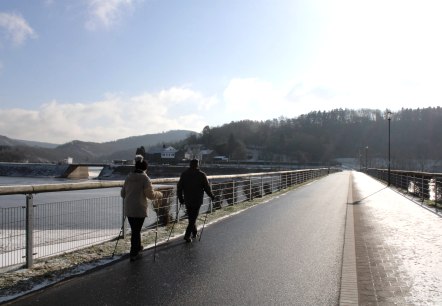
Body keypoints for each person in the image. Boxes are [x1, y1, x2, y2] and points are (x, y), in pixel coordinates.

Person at [121, 155, 162, 261]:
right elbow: (151, 195)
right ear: (145, 168)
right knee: (136, 230)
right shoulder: (145, 178)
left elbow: (122, 193)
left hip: (129, 208)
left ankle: (138, 247)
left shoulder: (128, 177)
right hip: (139, 208)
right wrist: (159, 194)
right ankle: (134, 253)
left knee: (135, 230)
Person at [177, 159, 215, 242]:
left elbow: (179, 188)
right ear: (197, 165)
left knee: (191, 217)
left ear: (190, 165)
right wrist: (211, 196)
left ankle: (194, 233)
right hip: (197, 199)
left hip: (187, 199)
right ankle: (187, 235)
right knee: (193, 218)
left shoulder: (184, 174)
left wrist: (181, 199)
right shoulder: (202, 175)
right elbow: (207, 188)